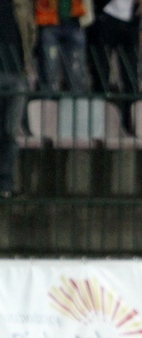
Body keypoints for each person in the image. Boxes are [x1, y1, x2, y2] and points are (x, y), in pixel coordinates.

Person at [0, 0, 35, 199]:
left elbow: (30, 31)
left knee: (10, 133)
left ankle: (5, 185)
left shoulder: (20, 3)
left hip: (16, 75)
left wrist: (26, 61)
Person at [36, 0, 91, 92]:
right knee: (49, 69)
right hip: (49, 22)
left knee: (76, 71)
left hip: (74, 22)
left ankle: (75, 97)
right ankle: (48, 96)